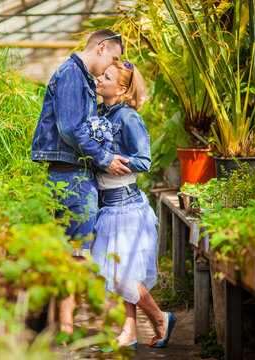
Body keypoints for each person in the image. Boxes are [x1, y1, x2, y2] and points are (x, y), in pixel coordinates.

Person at [31, 29, 131, 340]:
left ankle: (58, 327)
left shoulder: (80, 78)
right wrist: (104, 159)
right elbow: (71, 128)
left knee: (68, 253)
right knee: (75, 256)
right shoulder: (72, 74)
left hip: (71, 174)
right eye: (113, 58)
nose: (112, 66)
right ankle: (64, 330)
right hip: (71, 176)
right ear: (102, 48)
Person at [90, 60, 175, 350]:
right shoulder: (100, 112)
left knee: (122, 274)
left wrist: (116, 161)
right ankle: (129, 333)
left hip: (126, 208)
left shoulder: (128, 117)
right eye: (101, 74)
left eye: (107, 76)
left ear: (123, 89)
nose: (99, 78)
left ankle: (160, 317)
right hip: (107, 206)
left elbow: (145, 160)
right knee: (115, 273)